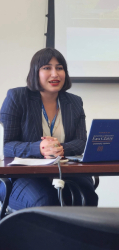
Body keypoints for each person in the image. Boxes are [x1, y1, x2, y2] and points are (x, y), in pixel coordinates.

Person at [0, 48, 98, 210]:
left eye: (60, 68)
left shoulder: (74, 102)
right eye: (47, 68)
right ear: (35, 72)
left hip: (65, 172)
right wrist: (39, 148)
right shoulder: (17, 97)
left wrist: (59, 148)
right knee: (46, 201)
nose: (55, 74)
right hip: (21, 177)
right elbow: (6, 145)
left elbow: (81, 142)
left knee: (86, 198)